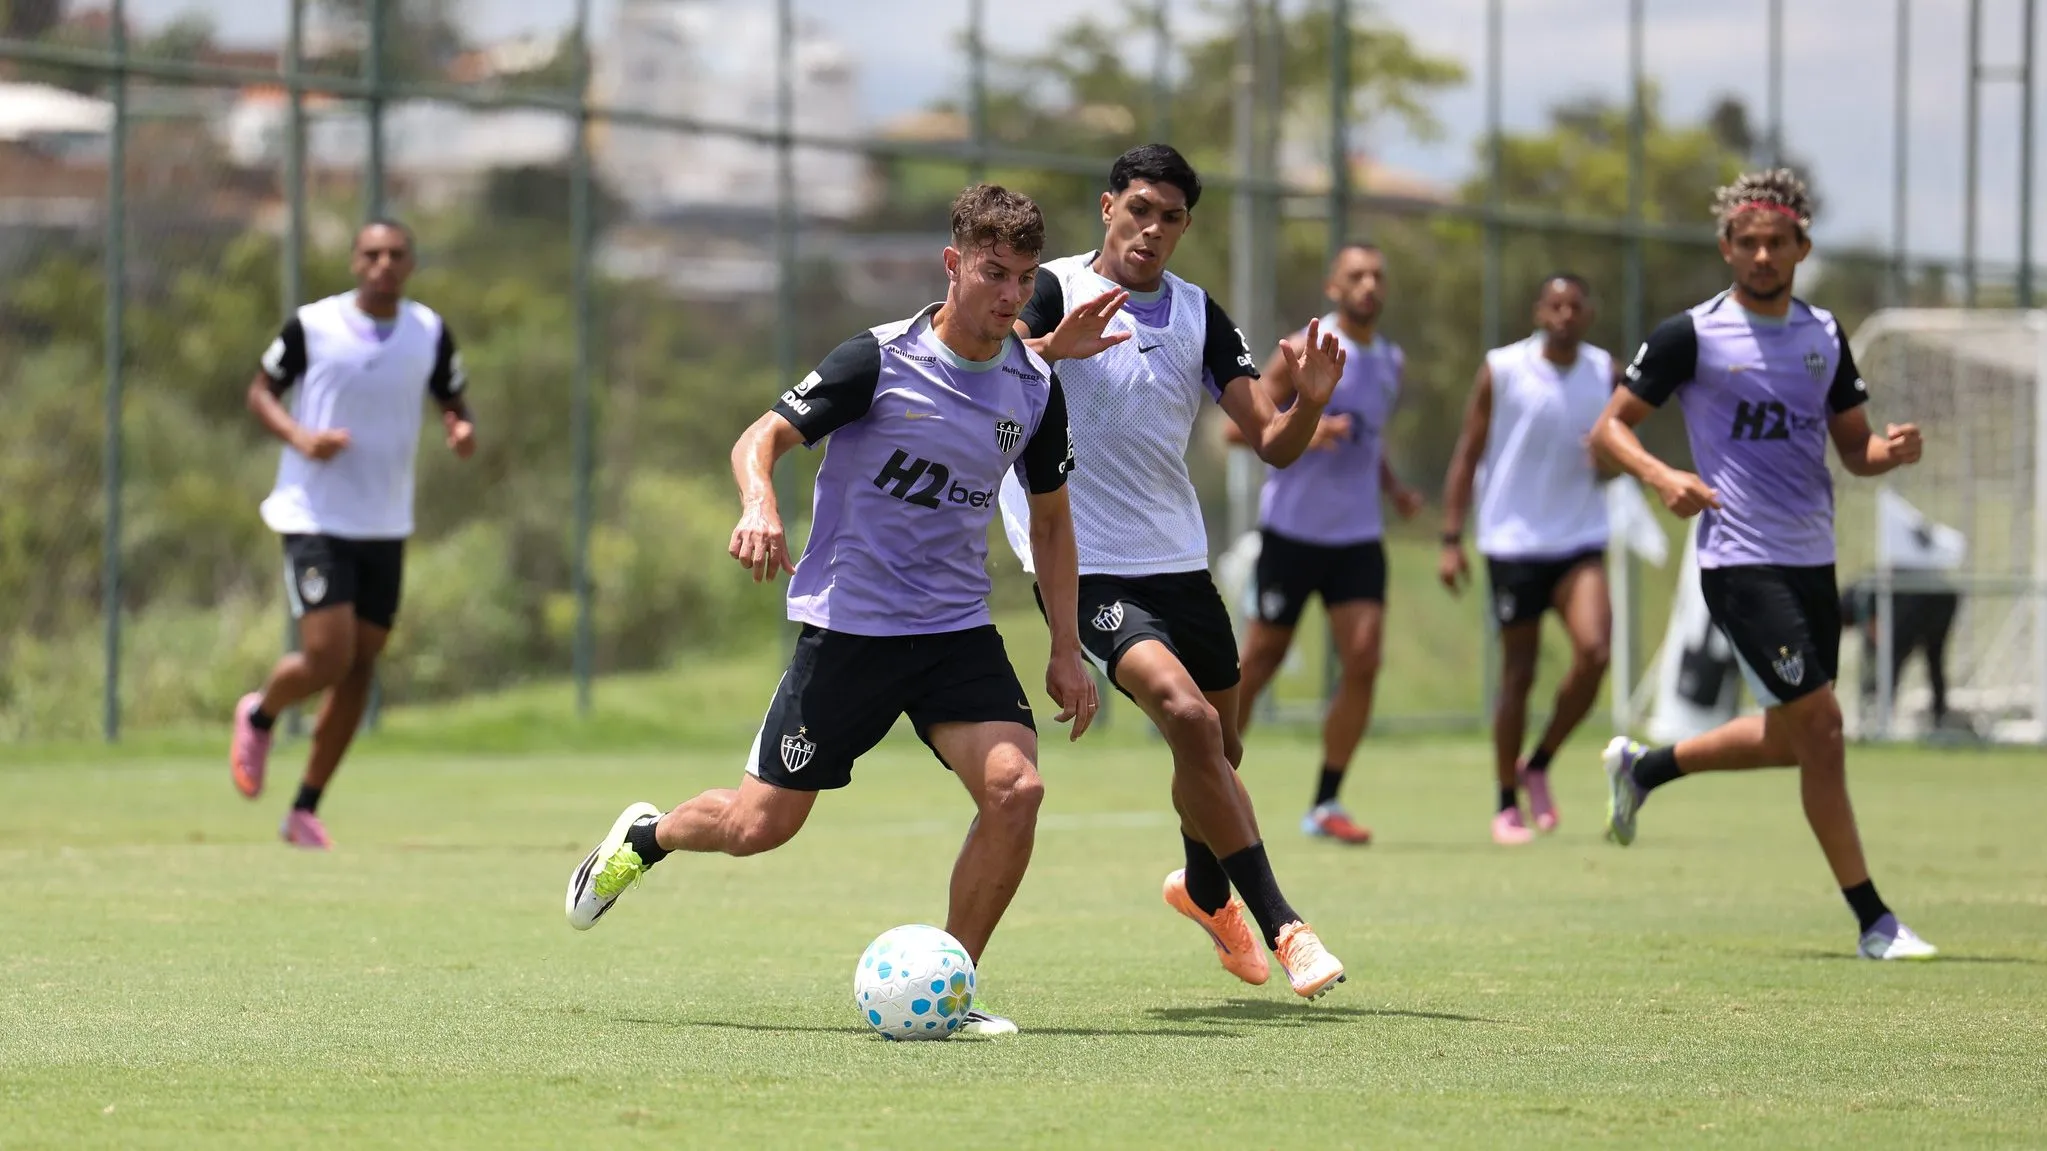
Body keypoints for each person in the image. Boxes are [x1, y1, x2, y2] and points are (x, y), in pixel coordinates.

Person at [563, 185, 1099, 1037]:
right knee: (757, 826)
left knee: (1016, 790)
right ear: (953, 263)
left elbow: (1053, 522)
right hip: (851, 627)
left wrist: (1065, 647)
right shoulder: (877, 360)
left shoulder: (1033, 387)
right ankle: (646, 837)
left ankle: (950, 990)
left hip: (954, 631)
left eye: (1024, 278)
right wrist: (759, 502)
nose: (1010, 294)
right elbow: (760, 437)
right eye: (993, 272)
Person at [999, 143, 1348, 999]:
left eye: (1171, 217)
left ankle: (1200, 887)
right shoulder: (1053, 290)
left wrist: (1308, 401)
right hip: (1085, 564)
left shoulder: (1198, 314)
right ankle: (1284, 925)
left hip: (1178, 560)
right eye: (1139, 210)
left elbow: (1272, 443)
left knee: (1220, 748)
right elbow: (986, 370)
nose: (1152, 229)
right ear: (1107, 207)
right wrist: (1049, 348)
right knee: (1188, 718)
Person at [1589, 169, 1938, 961]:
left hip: (1812, 558)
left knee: (1792, 739)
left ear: (1800, 248)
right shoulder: (1691, 334)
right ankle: (1874, 920)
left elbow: (1854, 449)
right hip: (1738, 560)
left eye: (1775, 242)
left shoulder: (1823, 335)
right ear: (1725, 247)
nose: (1760, 254)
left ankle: (1643, 769)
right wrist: (1663, 476)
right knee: (1824, 728)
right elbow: (1609, 428)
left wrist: (1889, 451)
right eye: (1745, 242)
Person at [230, 218, 476, 850]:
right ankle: (260, 713)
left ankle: (304, 809)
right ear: (353, 261)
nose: (383, 264)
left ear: (410, 264)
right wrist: (300, 437)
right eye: (372, 254)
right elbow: (260, 392)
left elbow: (452, 396)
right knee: (328, 655)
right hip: (315, 516)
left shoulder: (428, 331)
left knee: (361, 666)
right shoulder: (313, 326)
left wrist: (458, 427)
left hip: (385, 523)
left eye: (395, 254)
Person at [1225, 241, 1424, 846]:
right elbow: (1239, 430)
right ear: (1334, 287)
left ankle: (1327, 801)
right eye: (1356, 276)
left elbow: (1369, 439)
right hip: (1293, 534)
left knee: (1363, 660)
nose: (1369, 285)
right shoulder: (1302, 348)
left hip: (1358, 537)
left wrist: (1394, 488)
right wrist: (1307, 432)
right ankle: (1212, 775)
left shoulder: (1390, 360)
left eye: (1377, 275)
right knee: (1260, 660)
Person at [1439, 274, 1620, 845]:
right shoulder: (1503, 369)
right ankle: (1505, 802)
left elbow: (1621, 456)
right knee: (1519, 673)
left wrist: (1610, 461)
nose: (1565, 315)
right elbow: (1468, 453)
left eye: (1575, 306)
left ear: (1589, 314)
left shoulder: (1605, 372)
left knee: (1595, 652)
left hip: (1579, 538)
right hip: (1513, 541)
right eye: (1555, 305)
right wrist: (1451, 538)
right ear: (1540, 312)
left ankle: (1538, 763)